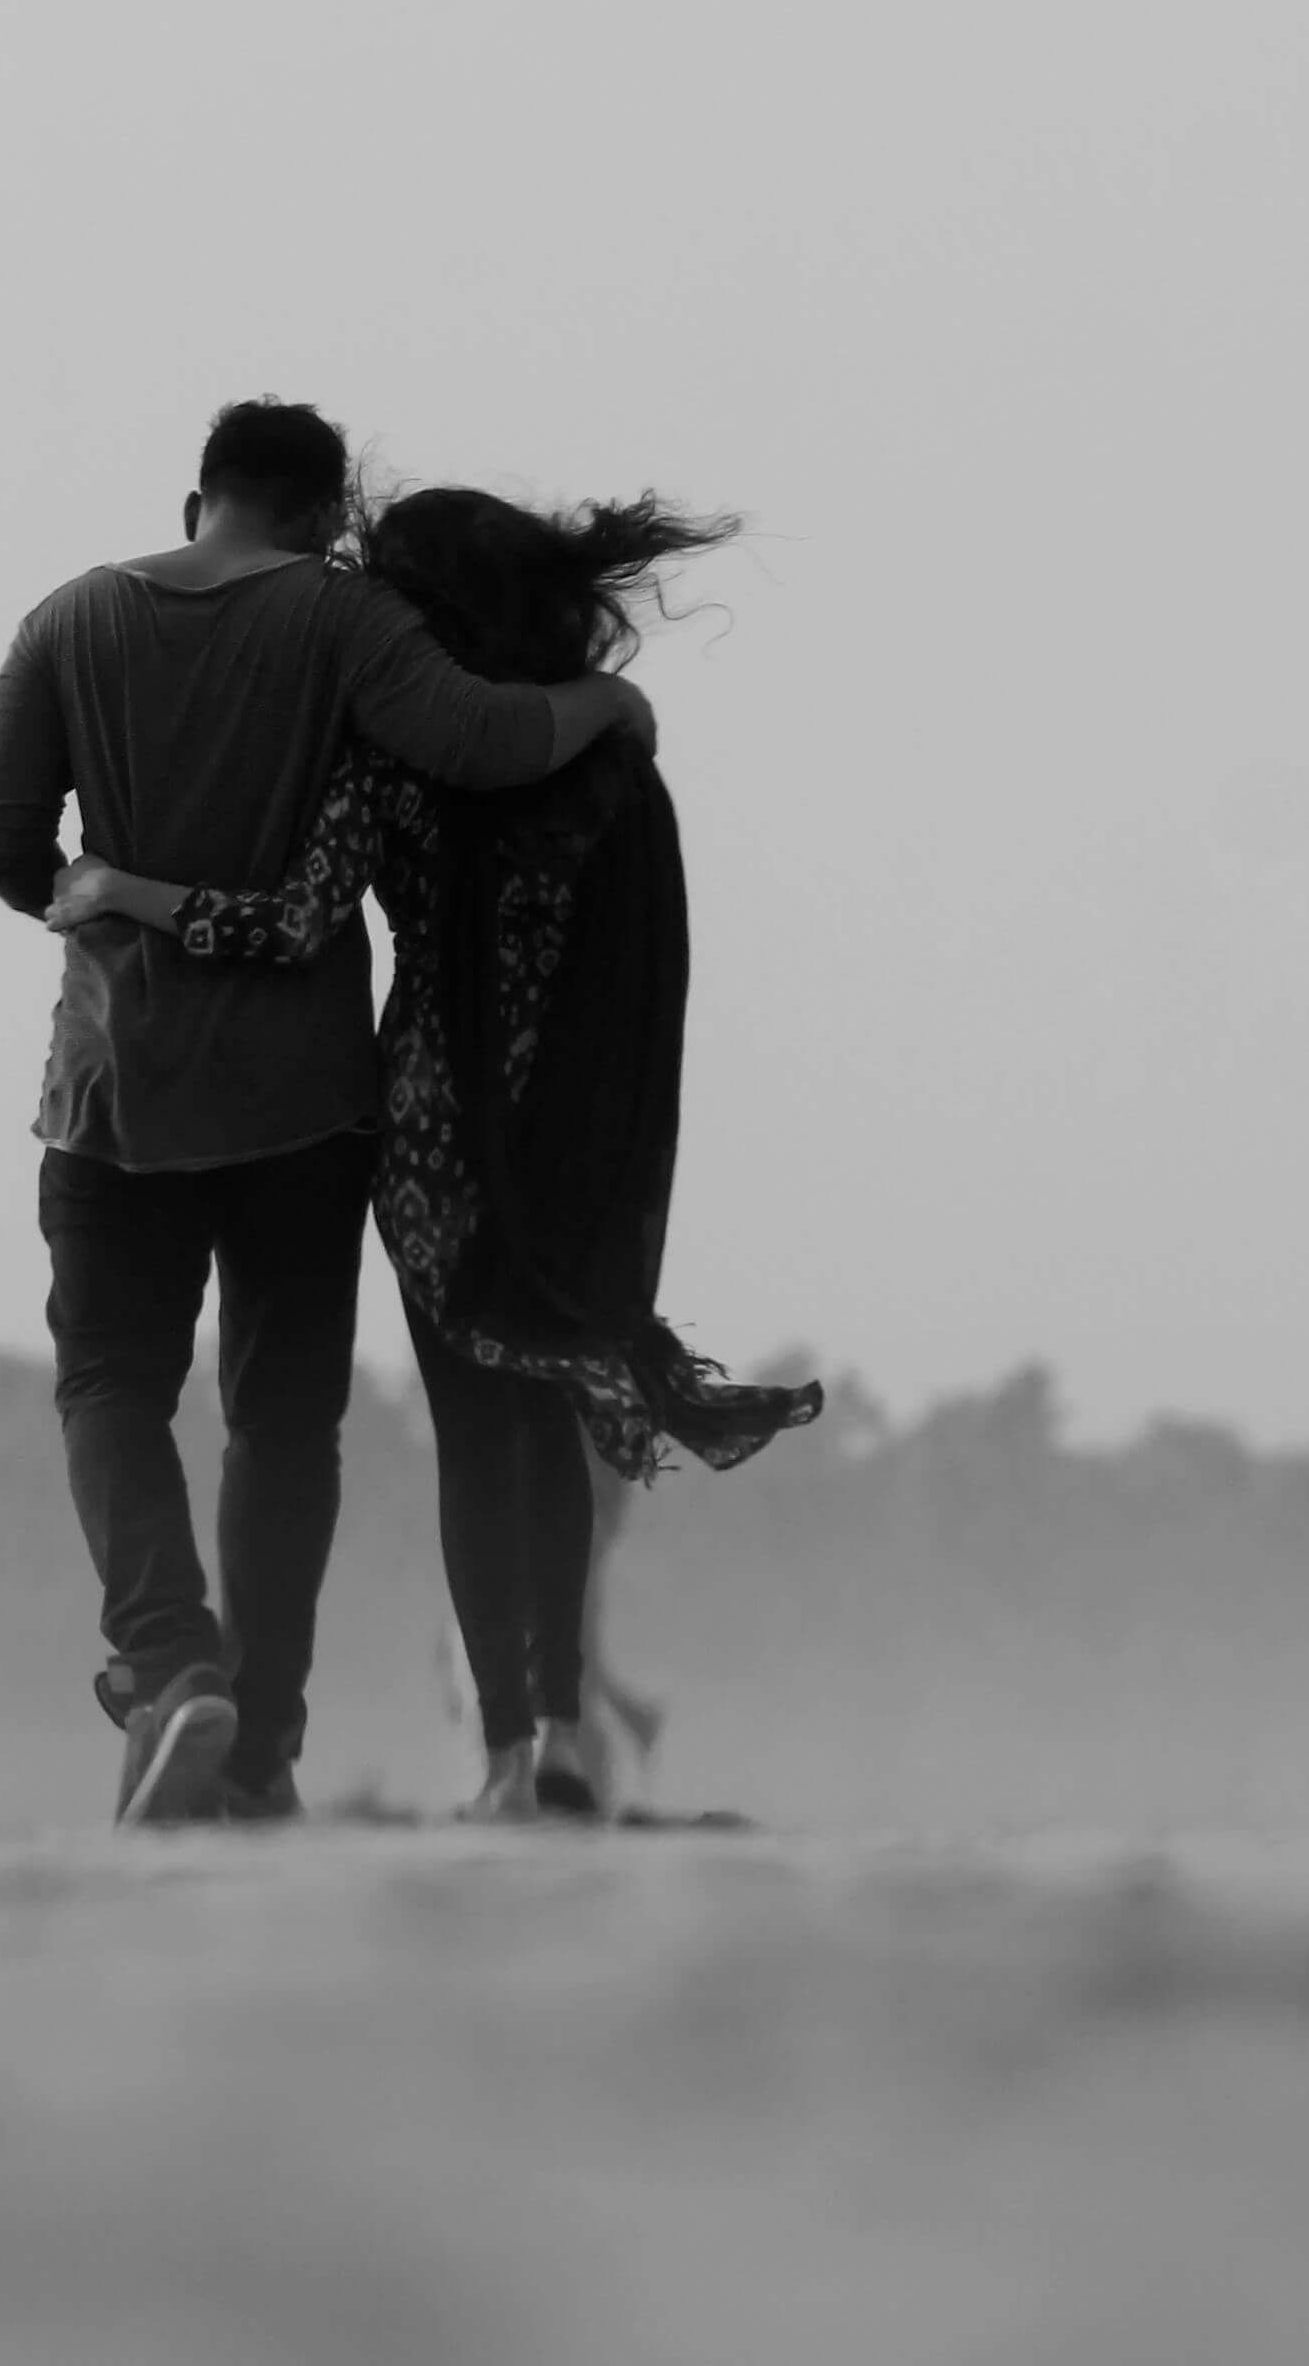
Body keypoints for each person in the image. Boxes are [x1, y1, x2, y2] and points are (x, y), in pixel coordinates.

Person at [47, 484, 821, 1822]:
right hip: (571, 1137)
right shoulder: (611, 765)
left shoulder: (393, 764)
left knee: (475, 1433)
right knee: (552, 1412)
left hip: (427, 1133)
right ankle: (569, 1743)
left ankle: (507, 1764)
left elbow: (288, 925)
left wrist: (123, 891)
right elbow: (648, 973)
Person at [0, 401, 657, 1829]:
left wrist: (91, 902)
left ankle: (167, 1669)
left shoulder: (63, 623)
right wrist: (604, 703)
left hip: (110, 1086)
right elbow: (474, 736)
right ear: (325, 516)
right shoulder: (340, 623)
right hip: (303, 1103)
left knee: (109, 1386)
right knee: (284, 1422)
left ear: (194, 496)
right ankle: (263, 1745)